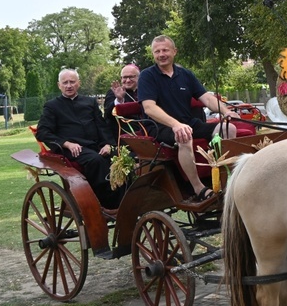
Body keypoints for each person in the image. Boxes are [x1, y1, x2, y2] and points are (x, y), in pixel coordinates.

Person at [137, 35, 237, 202]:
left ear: (174, 51)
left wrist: (226, 111)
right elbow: (149, 108)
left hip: (188, 122)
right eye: (157, 51)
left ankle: (227, 182)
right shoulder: (147, 76)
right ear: (153, 54)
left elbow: (207, 99)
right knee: (184, 135)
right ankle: (198, 188)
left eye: (165, 50)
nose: (161, 54)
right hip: (160, 127)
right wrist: (176, 125)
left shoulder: (186, 75)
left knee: (229, 129)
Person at [36, 69, 123, 209]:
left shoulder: (90, 102)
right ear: (59, 85)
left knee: (122, 157)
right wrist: (67, 144)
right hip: (71, 150)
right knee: (96, 161)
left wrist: (108, 144)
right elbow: (43, 133)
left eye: (72, 82)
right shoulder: (52, 106)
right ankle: (108, 204)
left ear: (79, 83)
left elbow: (102, 126)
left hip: (95, 146)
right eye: (65, 83)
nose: (69, 85)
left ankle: (126, 197)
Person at [104, 64, 140, 139]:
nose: (127, 80)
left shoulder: (145, 91)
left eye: (131, 77)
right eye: (125, 77)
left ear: (138, 77)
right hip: (124, 136)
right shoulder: (113, 92)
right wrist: (119, 100)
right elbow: (108, 114)